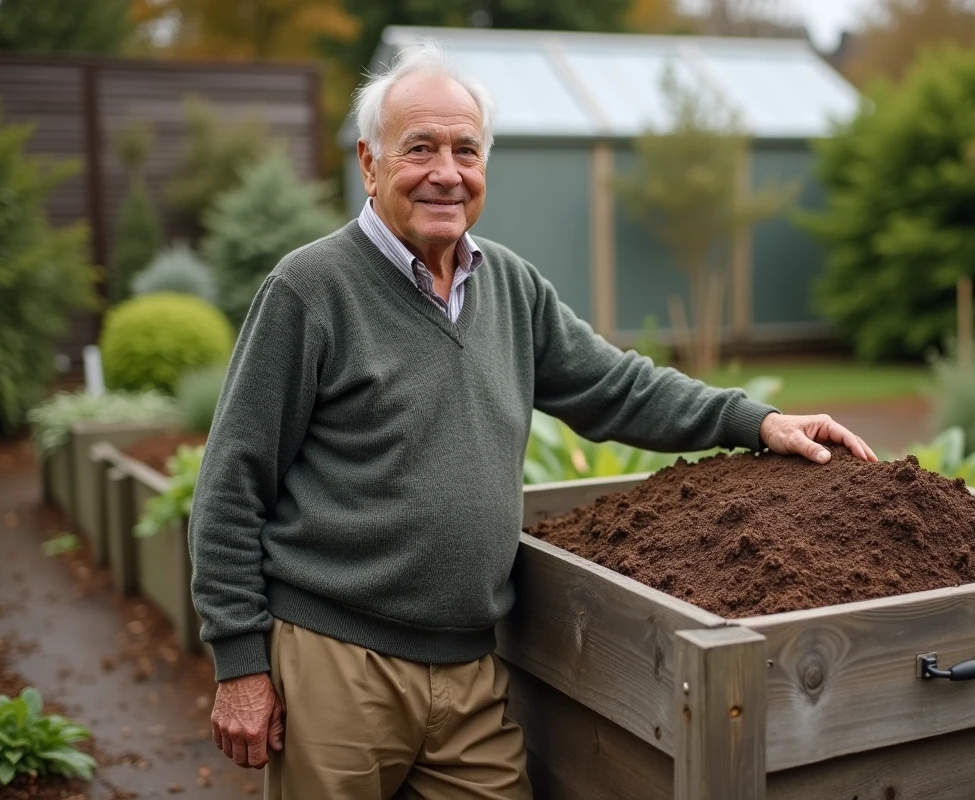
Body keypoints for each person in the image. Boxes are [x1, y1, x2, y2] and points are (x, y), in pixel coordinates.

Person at [188, 39, 877, 800]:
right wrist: (240, 666)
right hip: (337, 661)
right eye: (419, 148)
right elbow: (230, 485)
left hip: (471, 673)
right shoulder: (310, 290)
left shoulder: (509, 287)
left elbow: (619, 387)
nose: (446, 171)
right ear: (370, 162)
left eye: (466, 149)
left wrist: (756, 421)